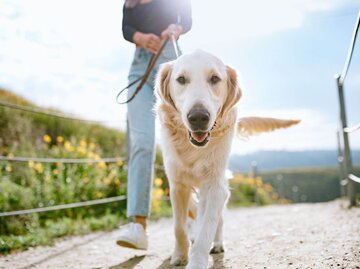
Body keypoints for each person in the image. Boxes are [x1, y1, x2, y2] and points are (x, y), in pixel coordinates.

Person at [116, 0, 192, 250]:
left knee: (182, 141)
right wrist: (139, 36)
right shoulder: (131, 2)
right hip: (139, 68)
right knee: (141, 142)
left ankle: (191, 216)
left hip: (170, 63)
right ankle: (138, 226)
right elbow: (126, 27)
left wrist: (175, 28)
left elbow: (186, 19)